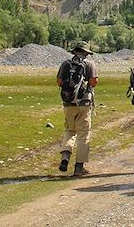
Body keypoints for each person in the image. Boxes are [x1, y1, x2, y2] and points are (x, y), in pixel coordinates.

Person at [56, 41, 98, 177]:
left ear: (74, 51)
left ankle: (65, 158)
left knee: (69, 130)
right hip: (84, 103)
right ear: (86, 53)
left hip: (68, 103)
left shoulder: (65, 64)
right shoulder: (89, 64)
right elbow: (94, 82)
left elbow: (59, 82)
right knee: (83, 135)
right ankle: (79, 167)